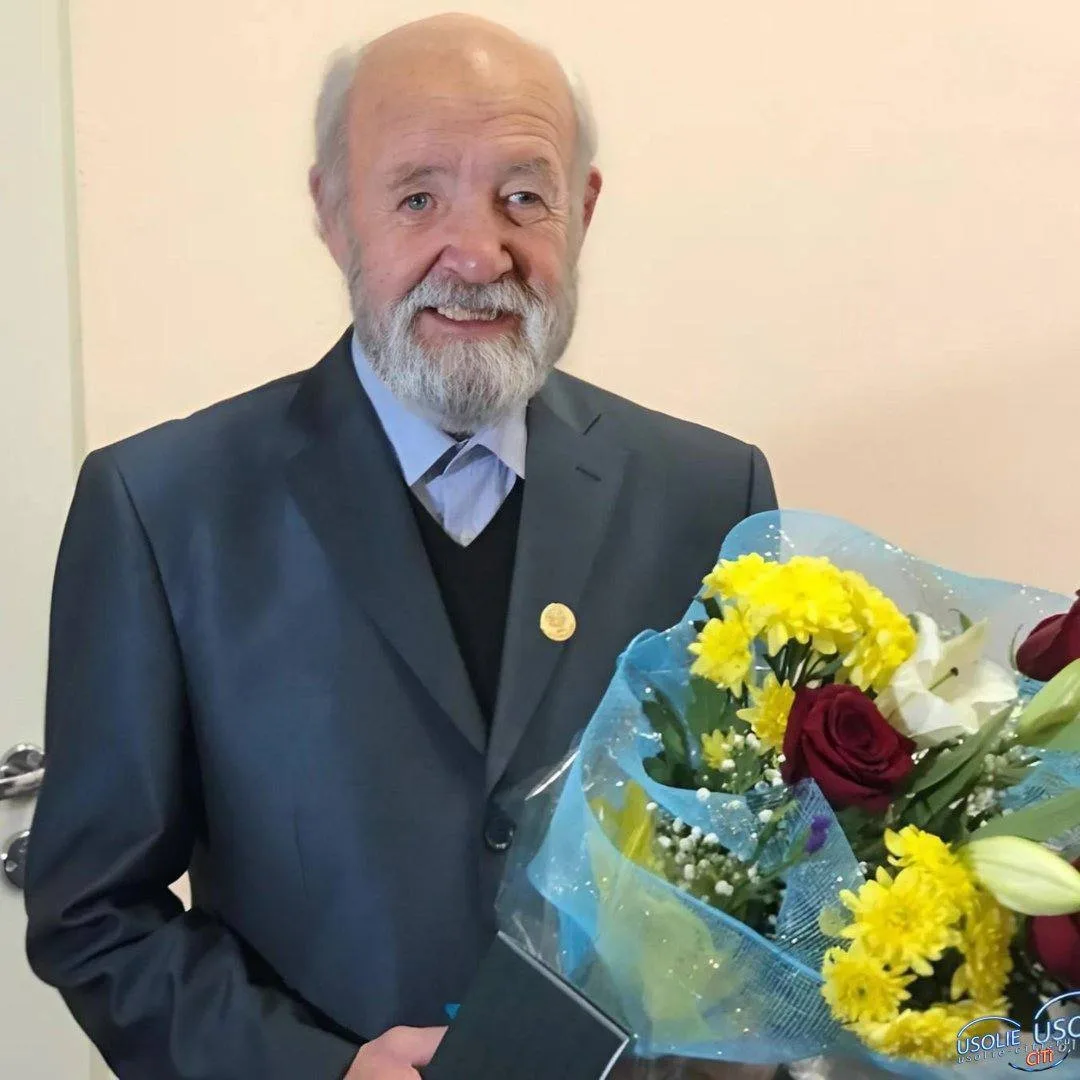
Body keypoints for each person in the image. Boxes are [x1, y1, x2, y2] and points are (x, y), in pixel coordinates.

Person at [25, 13, 776, 1079]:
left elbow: (761, 867)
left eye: (524, 197)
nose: (477, 253)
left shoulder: (712, 495)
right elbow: (94, 916)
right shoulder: (162, 507)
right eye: (418, 197)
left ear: (585, 209)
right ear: (334, 213)